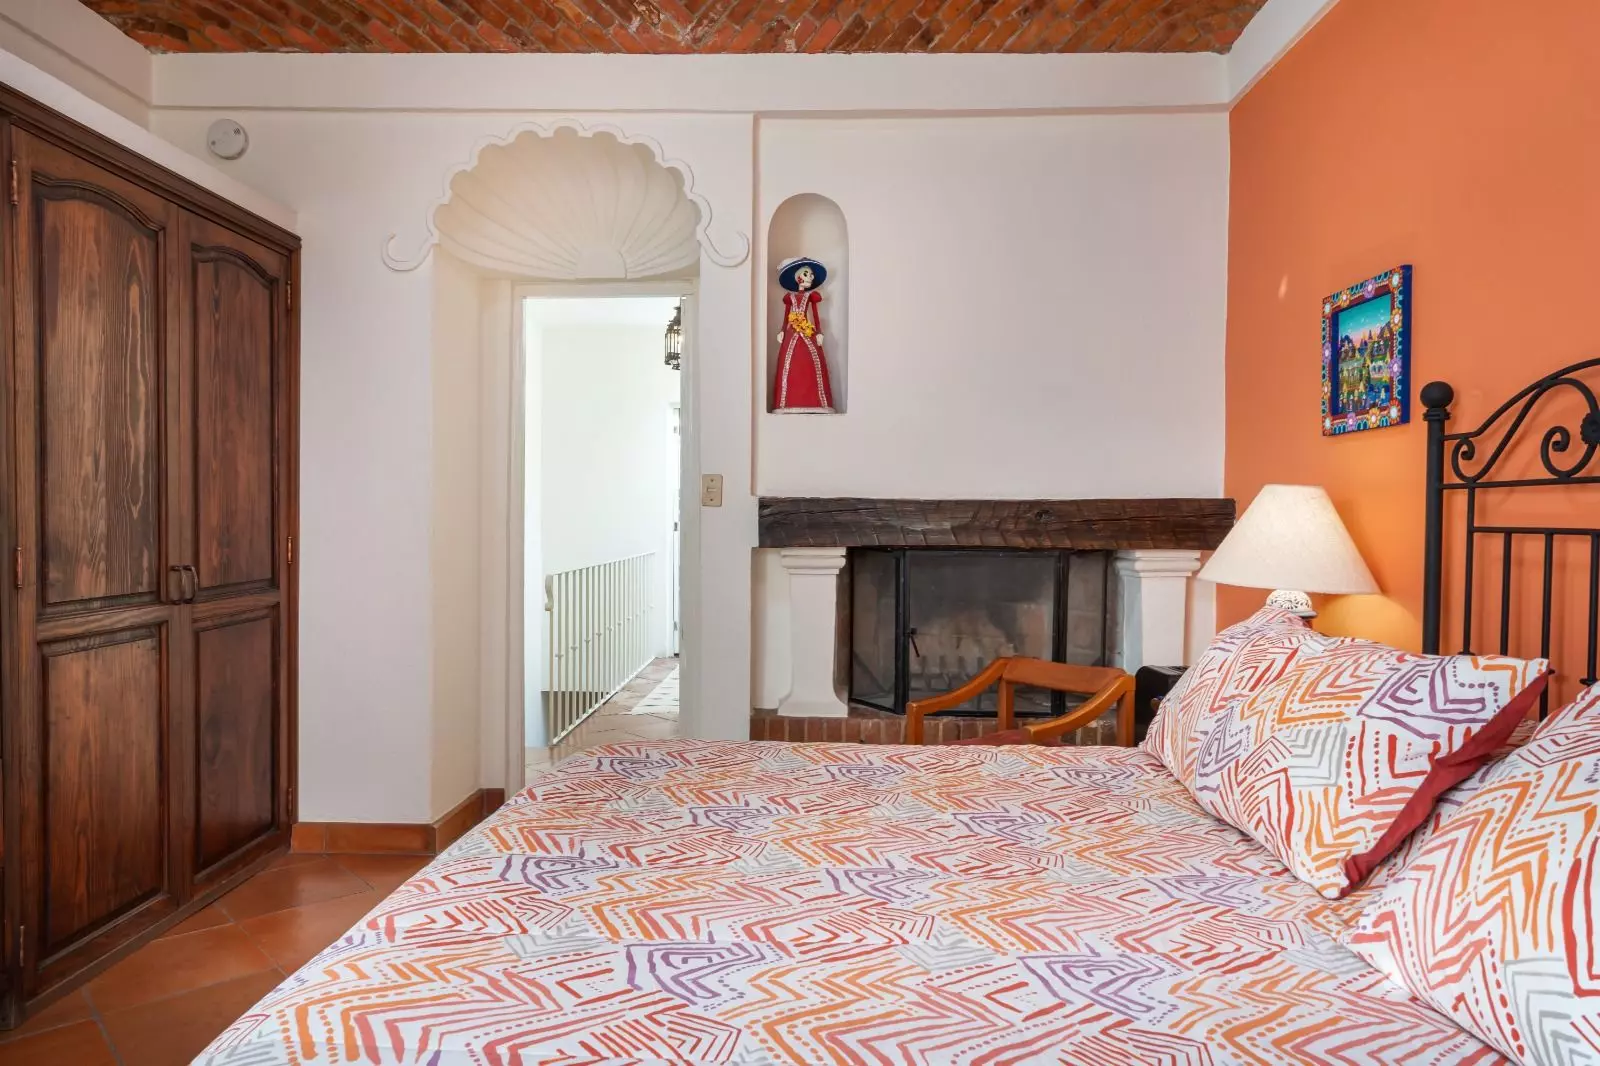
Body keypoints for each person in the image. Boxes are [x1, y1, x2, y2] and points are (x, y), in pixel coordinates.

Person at [772, 256, 835, 413]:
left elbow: (815, 316)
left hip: (807, 331)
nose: (810, 277)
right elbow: (786, 316)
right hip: (791, 332)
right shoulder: (790, 298)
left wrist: (819, 332)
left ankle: (817, 401)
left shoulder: (810, 297)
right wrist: (781, 331)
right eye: (807, 274)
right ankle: (786, 402)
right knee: (790, 361)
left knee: (812, 360)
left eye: (811, 275)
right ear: (798, 277)